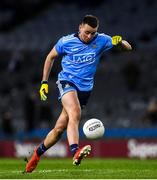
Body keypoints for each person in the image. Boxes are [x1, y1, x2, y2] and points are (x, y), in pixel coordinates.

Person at [25, 14, 132, 173]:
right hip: (67, 82)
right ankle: (75, 152)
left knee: (59, 129)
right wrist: (44, 83)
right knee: (75, 112)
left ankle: (36, 154)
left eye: (93, 33)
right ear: (80, 27)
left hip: (85, 90)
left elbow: (128, 48)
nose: (90, 36)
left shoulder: (101, 40)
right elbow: (50, 57)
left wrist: (120, 43)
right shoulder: (66, 41)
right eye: (87, 32)